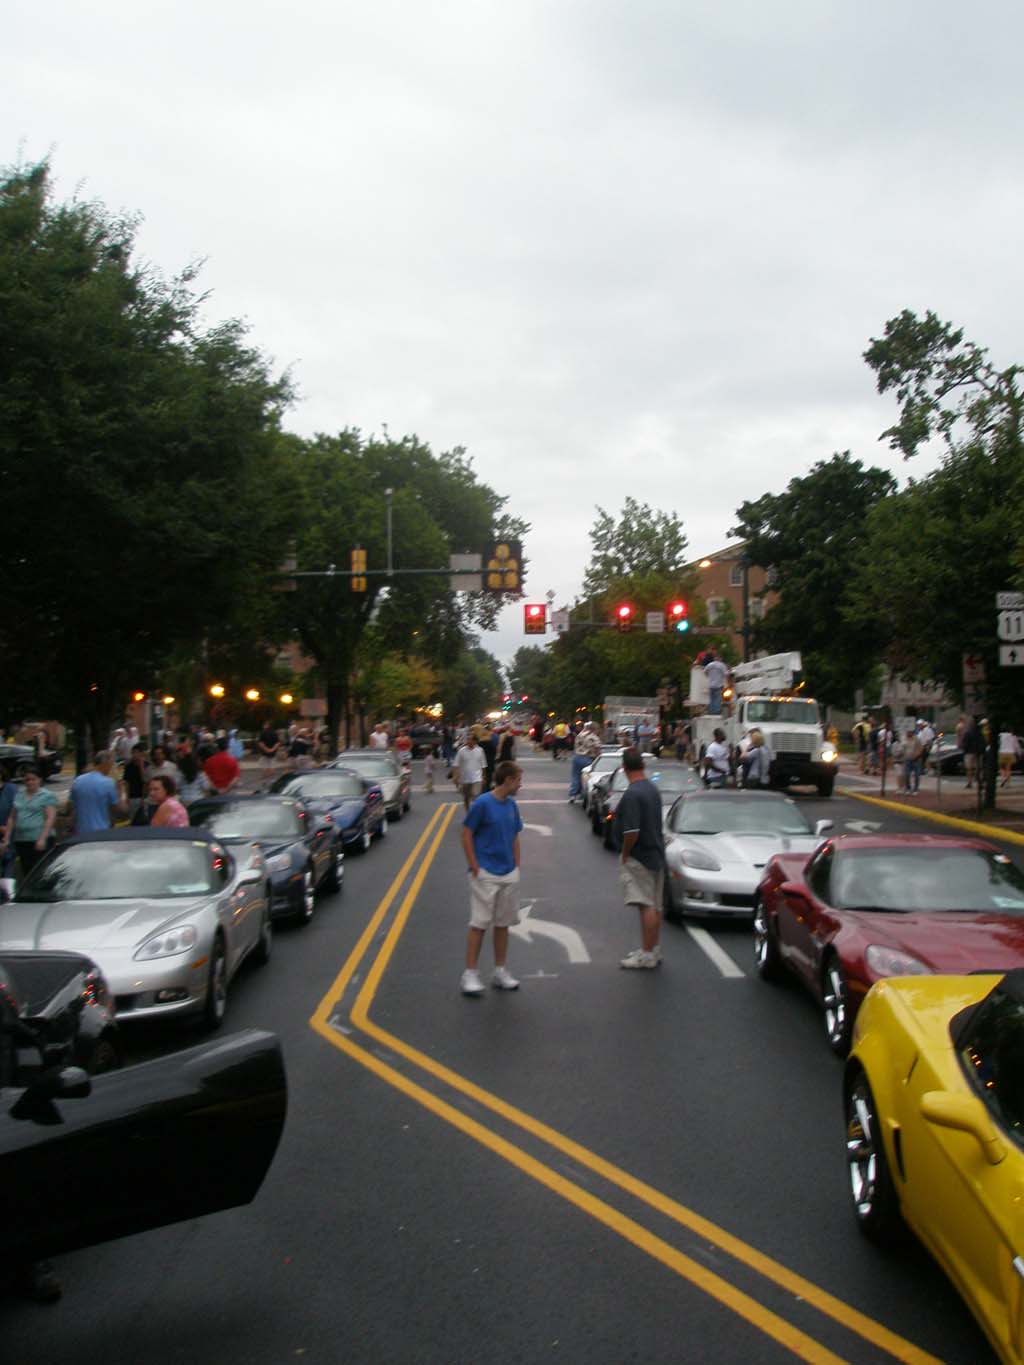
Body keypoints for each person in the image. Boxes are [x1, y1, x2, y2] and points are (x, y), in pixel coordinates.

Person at [459, 760, 524, 996]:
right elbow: (466, 834)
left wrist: (516, 866)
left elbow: (515, 835)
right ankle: (470, 973)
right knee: (479, 924)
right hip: (485, 873)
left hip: (508, 873)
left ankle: (500, 970)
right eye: (518, 780)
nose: (520, 785)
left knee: (503, 924)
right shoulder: (483, 804)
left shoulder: (511, 806)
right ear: (508, 780)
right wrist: (475, 866)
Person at [612, 747, 667, 970]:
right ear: (642, 766)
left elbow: (631, 830)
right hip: (655, 852)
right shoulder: (652, 789)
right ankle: (652, 948)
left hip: (640, 855)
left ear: (624, 768)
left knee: (645, 905)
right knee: (654, 905)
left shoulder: (633, 794)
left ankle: (646, 954)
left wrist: (625, 852)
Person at [1, 767, 58, 879]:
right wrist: (7, 837)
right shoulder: (19, 795)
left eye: (33, 779)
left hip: (39, 838)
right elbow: (12, 817)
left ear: (39, 780)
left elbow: (50, 818)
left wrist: (42, 838)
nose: (30, 782)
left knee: (41, 870)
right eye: (27, 779)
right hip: (22, 839)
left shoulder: (46, 795)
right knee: (27, 871)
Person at [70, 750, 126, 833]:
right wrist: (121, 792)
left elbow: (71, 805)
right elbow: (121, 809)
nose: (111, 768)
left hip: (81, 831)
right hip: (101, 831)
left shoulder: (78, 780)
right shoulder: (107, 783)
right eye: (111, 764)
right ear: (105, 763)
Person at [569, 721, 601, 803]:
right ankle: (584, 795)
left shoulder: (580, 735)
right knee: (588, 778)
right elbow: (597, 749)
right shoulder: (594, 737)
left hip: (577, 757)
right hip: (588, 759)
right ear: (595, 729)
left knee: (575, 777)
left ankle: (573, 795)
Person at [453, 732, 486, 810]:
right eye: (467, 739)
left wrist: (484, 776)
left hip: (477, 778)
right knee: (466, 798)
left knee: (476, 796)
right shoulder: (461, 751)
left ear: (475, 741)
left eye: (470, 739)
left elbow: (483, 764)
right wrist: (455, 777)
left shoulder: (480, 750)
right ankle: (468, 813)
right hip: (465, 778)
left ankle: (475, 814)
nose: (468, 741)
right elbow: (456, 765)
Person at [703, 651, 729, 716]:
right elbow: (726, 674)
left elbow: (705, 672)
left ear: (714, 658)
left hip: (711, 686)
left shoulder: (709, 665)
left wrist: (709, 676)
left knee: (711, 700)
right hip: (718, 686)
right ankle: (716, 713)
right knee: (717, 700)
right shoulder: (722, 665)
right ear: (720, 658)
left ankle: (711, 712)